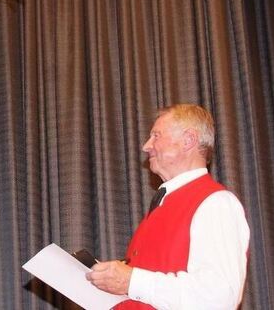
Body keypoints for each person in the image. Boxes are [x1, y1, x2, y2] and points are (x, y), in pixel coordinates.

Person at [87, 104, 250, 309]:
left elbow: (218, 299)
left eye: (156, 135)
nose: (146, 145)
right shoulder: (160, 207)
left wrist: (131, 281)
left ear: (188, 140)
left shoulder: (216, 202)